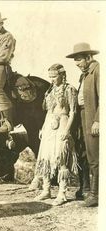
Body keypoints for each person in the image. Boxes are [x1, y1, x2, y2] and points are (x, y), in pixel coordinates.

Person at [32, 64, 78, 206]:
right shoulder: (50, 90)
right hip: (49, 124)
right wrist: (43, 128)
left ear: (62, 75)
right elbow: (48, 111)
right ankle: (46, 190)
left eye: (54, 76)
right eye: (50, 77)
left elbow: (73, 112)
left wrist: (67, 130)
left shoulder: (69, 89)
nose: (51, 79)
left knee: (60, 157)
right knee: (45, 157)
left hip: (63, 122)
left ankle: (62, 193)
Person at [66, 43, 99, 207]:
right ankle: (87, 190)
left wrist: (98, 120)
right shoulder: (85, 74)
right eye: (75, 60)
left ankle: (95, 194)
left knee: (94, 155)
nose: (77, 63)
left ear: (88, 57)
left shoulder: (97, 71)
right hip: (83, 115)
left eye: (79, 59)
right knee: (86, 153)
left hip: (92, 116)